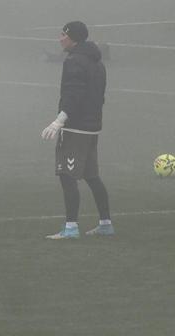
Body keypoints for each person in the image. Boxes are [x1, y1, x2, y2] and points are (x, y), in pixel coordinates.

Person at [41, 21, 112, 239]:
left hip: (76, 128)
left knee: (67, 175)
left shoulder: (74, 61)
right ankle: (105, 224)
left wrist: (59, 120)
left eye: (63, 34)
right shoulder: (97, 62)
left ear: (73, 38)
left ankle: (71, 227)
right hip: (93, 128)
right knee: (92, 176)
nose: (60, 38)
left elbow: (74, 94)